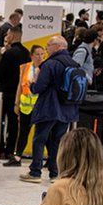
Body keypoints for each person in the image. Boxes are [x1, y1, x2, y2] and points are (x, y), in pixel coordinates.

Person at [21, 36, 80, 183]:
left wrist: (33, 82)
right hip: (67, 108)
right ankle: (55, 173)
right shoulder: (74, 63)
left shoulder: (50, 64)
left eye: (48, 45)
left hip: (49, 107)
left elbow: (39, 87)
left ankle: (35, 172)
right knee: (58, 141)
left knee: (39, 139)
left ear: (57, 46)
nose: (46, 48)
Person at [5, 45, 46, 167]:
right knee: (23, 132)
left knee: (43, 133)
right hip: (26, 106)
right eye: (37, 54)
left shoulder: (46, 67)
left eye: (42, 54)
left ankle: (47, 159)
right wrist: (16, 103)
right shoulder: (24, 67)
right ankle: (17, 156)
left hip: (40, 105)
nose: (40, 57)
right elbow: (20, 86)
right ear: (32, 55)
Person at [0, 26, 31, 162]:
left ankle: (0, 148)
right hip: (19, 92)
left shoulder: (9, 53)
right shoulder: (26, 53)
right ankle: (11, 149)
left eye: (8, 34)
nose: (6, 36)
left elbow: (0, 73)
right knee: (14, 123)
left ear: (13, 35)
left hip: (5, 92)